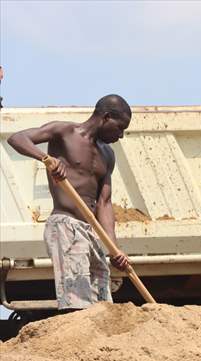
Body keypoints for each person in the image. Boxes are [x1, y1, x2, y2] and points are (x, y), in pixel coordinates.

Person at [7, 94, 131, 310]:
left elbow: (104, 202)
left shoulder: (108, 154)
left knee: (102, 303)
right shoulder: (64, 132)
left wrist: (114, 249)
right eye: (120, 127)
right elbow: (17, 139)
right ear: (106, 117)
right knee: (77, 302)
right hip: (65, 226)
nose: (121, 135)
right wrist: (46, 159)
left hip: (90, 231)